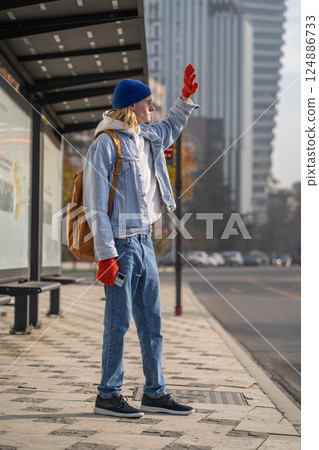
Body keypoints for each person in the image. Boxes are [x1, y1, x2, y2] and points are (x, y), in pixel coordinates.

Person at [83, 64, 199, 418]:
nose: (153, 108)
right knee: (118, 322)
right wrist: (105, 255)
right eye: (148, 103)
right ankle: (108, 394)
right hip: (120, 244)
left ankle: (155, 391)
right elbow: (94, 206)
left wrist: (185, 99)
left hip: (145, 242)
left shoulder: (147, 137)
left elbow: (171, 126)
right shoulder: (106, 143)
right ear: (131, 105)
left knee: (152, 321)